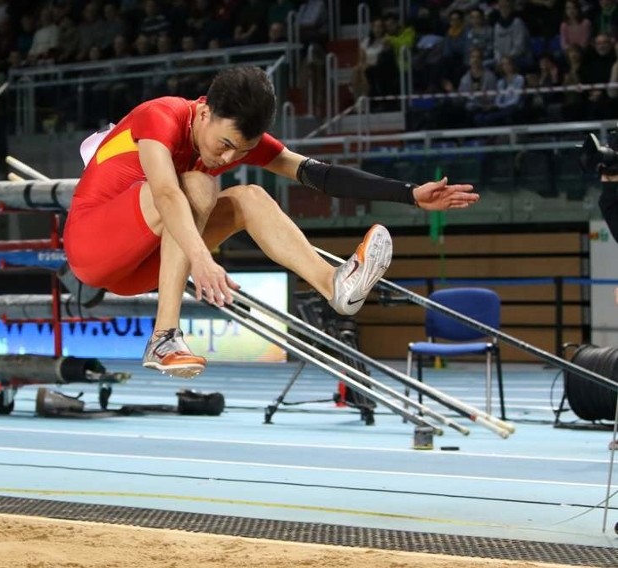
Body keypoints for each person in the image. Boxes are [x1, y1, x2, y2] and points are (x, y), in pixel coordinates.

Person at [62, 66, 479, 378]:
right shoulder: (162, 116)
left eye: (238, 152)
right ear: (203, 111)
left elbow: (320, 175)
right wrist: (202, 260)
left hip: (143, 263)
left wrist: (408, 194)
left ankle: (335, 284)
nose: (227, 159)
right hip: (91, 246)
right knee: (196, 184)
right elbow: (168, 194)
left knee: (250, 198)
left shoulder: (236, 142)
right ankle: (164, 337)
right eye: (224, 145)